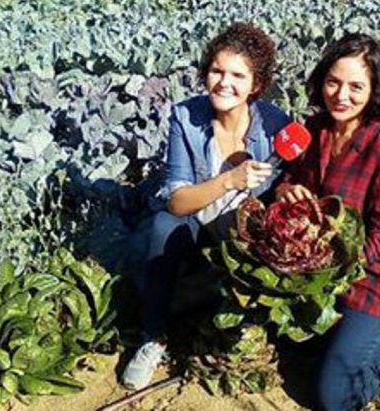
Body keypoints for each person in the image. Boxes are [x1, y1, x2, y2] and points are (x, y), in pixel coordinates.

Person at [120, 22, 290, 390]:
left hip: (245, 231)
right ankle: (154, 336)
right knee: (164, 226)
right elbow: (178, 202)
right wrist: (229, 179)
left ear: (256, 84)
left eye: (237, 76)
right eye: (216, 71)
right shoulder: (187, 117)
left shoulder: (276, 125)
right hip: (197, 221)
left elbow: (286, 186)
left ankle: (260, 324)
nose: (224, 83)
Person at [276, 33, 380, 411]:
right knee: (288, 345)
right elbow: (292, 178)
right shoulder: (316, 130)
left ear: (374, 90)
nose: (341, 95)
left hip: (379, 280)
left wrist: (330, 261)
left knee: (332, 397)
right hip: (326, 274)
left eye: (356, 86)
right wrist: (286, 192)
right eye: (333, 82)